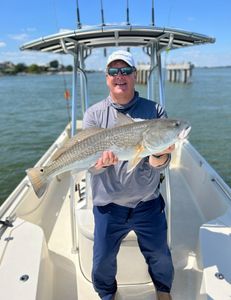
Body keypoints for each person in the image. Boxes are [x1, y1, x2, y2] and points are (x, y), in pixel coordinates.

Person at [83, 50, 174, 300]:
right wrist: (101, 164)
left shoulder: (155, 110)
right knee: (101, 262)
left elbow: (161, 162)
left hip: (147, 202)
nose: (119, 76)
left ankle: (163, 292)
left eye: (125, 71)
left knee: (161, 256)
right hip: (108, 205)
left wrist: (158, 155)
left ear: (135, 75)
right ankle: (107, 295)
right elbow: (91, 167)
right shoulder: (94, 114)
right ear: (106, 77)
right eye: (113, 71)